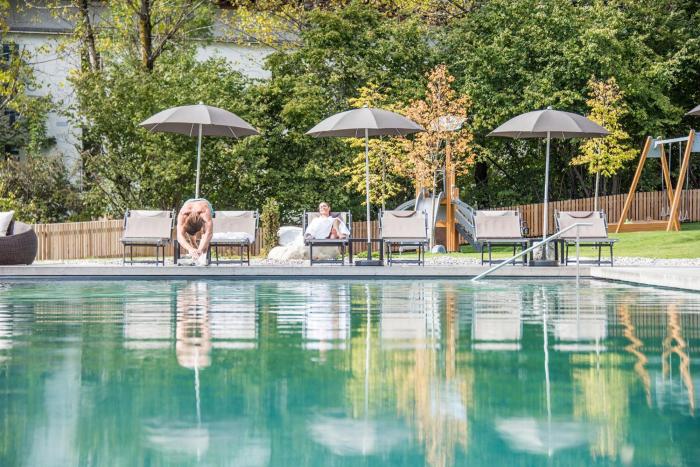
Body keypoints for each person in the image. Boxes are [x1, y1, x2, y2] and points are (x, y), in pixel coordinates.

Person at [177, 198, 214, 266]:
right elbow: (179, 236)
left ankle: (203, 257)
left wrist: (200, 249)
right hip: (188, 203)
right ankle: (196, 256)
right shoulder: (183, 215)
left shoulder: (204, 212)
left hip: (203, 203)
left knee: (204, 233)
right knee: (194, 240)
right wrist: (190, 249)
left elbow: (209, 233)